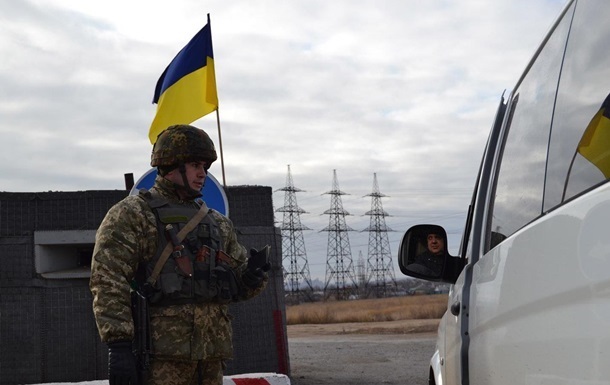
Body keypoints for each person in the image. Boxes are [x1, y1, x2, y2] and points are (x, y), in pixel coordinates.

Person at [90, 124, 270, 385]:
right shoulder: (133, 214)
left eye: (205, 168)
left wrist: (252, 277)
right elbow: (107, 279)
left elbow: (235, 289)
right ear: (172, 165)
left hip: (210, 358)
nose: (203, 174)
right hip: (160, 360)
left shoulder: (217, 223)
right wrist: (118, 344)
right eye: (196, 165)